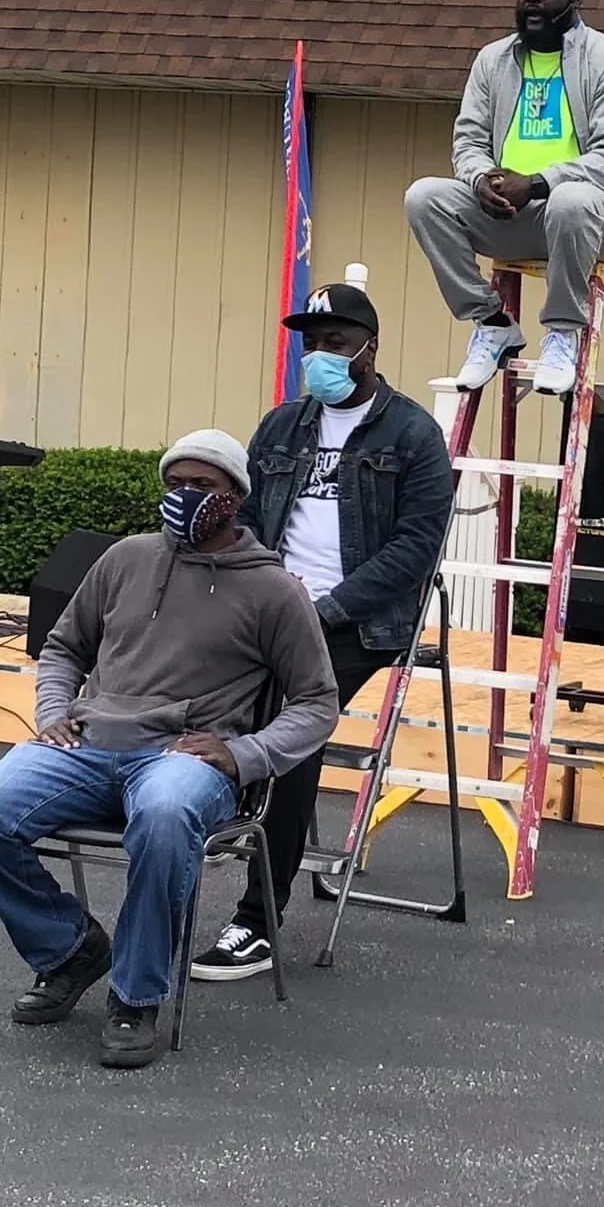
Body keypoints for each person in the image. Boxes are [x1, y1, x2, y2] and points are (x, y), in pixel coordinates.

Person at [0, 432, 339, 1069]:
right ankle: (69, 949)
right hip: (89, 743)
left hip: (185, 759)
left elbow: (317, 703)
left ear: (235, 496)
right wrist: (52, 713)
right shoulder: (125, 558)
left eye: (202, 486)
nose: (186, 497)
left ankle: (135, 997)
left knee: (164, 815)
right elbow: (64, 647)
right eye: (175, 483)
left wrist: (245, 755)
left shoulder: (274, 590)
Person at [189, 281, 454, 982]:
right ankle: (185, 847)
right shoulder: (281, 426)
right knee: (178, 688)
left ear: (371, 348)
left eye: (336, 343)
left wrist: (326, 608)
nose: (321, 357)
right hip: (268, 604)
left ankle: (257, 921)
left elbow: (415, 549)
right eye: (312, 344)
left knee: (292, 721)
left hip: (357, 620)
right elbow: (242, 520)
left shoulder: (413, 435)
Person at [404, 0, 604, 397]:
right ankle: (492, 322)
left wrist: (536, 184)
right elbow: (468, 141)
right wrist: (481, 180)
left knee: (571, 200)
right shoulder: (492, 60)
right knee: (424, 197)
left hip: (588, 222)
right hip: (507, 216)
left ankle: (562, 333)